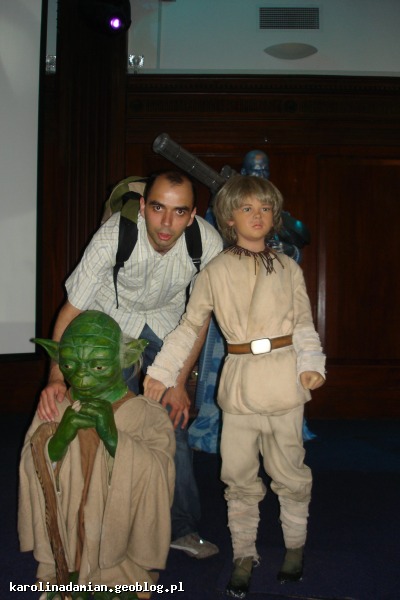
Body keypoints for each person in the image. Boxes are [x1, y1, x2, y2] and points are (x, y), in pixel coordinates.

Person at [144, 175, 326, 598]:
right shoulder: (214, 272)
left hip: (284, 382)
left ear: (274, 216)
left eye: (265, 208)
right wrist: (163, 372)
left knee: (290, 472)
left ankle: (294, 546)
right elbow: (189, 327)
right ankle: (244, 553)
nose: (257, 216)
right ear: (229, 217)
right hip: (240, 385)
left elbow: (304, 324)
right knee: (239, 476)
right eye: (247, 208)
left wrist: (311, 364)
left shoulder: (289, 269)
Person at [37, 170, 222, 559]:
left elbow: (199, 319)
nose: (166, 223)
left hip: (169, 325)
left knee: (173, 424)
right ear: (142, 206)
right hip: (110, 320)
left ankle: (180, 527)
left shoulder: (207, 244)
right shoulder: (112, 238)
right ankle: (103, 523)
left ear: (192, 215)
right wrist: (56, 377)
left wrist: (178, 383)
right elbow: (71, 311)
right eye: (157, 208)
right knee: (105, 416)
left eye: (179, 211)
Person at [19, 310, 175, 600]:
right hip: (67, 540)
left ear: (125, 358)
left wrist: (115, 439)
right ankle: (67, 568)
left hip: (120, 549)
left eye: (98, 365)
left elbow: (160, 473)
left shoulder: (146, 415)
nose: (81, 377)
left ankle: (119, 577)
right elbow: (30, 465)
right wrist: (58, 439)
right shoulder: (53, 409)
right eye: (69, 364)